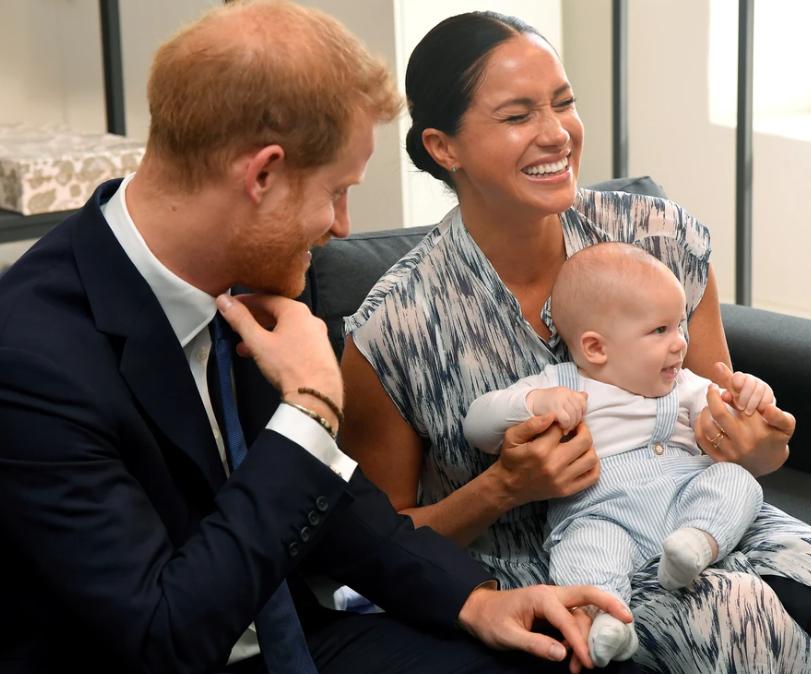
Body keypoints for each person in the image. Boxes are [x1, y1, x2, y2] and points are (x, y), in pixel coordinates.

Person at [0, 2, 638, 673]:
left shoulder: (255, 267)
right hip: (169, 650)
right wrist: (309, 412)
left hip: (300, 639)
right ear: (262, 175)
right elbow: (165, 635)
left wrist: (476, 601)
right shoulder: (32, 362)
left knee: (575, 660)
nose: (341, 225)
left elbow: (338, 507)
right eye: (336, 191)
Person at [340, 10, 811, 673]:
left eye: (563, 103)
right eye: (517, 116)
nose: (556, 133)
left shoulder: (660, 239)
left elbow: (727, 422)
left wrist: (760, 443)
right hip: (558, 563)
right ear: (444, 146)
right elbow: (374, 544)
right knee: (733, 611)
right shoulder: (393, 328)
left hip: (699, 511)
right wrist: (503, 488)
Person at [464, 242, 780, 666]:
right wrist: (536, 403)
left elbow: (727, 416)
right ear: (596, 348)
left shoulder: (682, 384)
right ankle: (609, 618)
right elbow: (477, 425)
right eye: (660, 331)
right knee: (583, 548)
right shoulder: (561, 385)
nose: (680, 344)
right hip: (601, 513)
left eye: (680, 327)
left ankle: (697, 545)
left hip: (684, 497)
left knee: (736, 481)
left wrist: (750, 396)